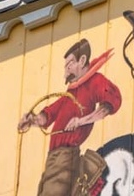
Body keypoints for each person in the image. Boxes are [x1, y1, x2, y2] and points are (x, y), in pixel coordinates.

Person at [19, 39, 122, 196]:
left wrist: (81, 121)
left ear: (82, 61)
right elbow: (47, 116)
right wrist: (31, 120)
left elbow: (111, 103)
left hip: (65, 156)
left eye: (70, 65)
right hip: (53, 158)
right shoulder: (70, 94)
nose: (66, 71)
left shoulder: (94, 81)